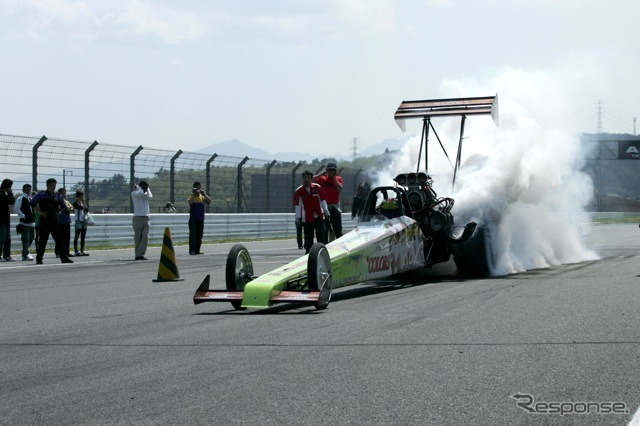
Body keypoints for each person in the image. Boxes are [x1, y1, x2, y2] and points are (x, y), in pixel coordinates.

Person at [30, 178, 74, 264]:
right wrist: (40, 212)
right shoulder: (41, 194)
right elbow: (32, 203)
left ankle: (63, 258)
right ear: (47, 185)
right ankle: (39, 259)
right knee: (43, 240)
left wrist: (59, 211)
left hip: (54, 219)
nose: (52, 187)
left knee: (59, 239)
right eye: (51, 185)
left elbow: (64, 206)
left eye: (54, 186)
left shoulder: (58, 195)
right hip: (45, 219)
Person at [294, 170, 330, 253]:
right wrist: (298, 217)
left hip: (319, 216)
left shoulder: (317, 188)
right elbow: (298, 205)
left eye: (308, 178)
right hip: (307, 219)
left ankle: (323, 253)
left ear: (311, 179)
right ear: (302, 179)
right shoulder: (299, 191)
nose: (306, 180)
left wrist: (326, 211)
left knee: (321, 237)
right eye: (305, 178)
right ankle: (308, 256)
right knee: (308, 239)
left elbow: (323, 200)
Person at [314, 162, 344, 241]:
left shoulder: (338, 179)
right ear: (326, 170)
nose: (331, 172)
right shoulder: (322, 178)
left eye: (333, 170)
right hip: (324, 206)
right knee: (324, 229)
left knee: (337, 229)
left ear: (335, 171)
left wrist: (334, 179)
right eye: (329, 170)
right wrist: (320, 174)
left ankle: (339, 243)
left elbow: (340, 188)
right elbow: (310, 180)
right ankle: (325, 244)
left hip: (334, 206)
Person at [187, 181, 211, 255]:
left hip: (200, 219)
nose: (198, 189)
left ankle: (197, 250)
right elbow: (190, 202)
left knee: (199, 235)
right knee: (193, 235)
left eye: (199, 187)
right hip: (193, 219)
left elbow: (209, 201)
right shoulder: (191, 196)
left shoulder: (202, 197)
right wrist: (194, 194)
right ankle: (192, 250)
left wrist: (204, 194)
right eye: (196, 187)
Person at [131, 180, 153, 260]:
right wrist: (139, 188)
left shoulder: (146, 193)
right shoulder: (134, 193)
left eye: (146, 187)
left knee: (145, 237)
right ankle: (137, 254)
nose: (145, 189)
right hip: (137, 217)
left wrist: (147, 189)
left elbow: (150, 196)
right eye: (143, 187)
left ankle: (141, 254)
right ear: (140, 187)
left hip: (146, 217)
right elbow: (140, 193)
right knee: (138, 237)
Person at [14, 183, 35, 261]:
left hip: (31, 222)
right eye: (27, 189)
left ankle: (26, 252)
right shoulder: (20, 198)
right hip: (24, 222)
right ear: (23, 190)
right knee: (25, 239)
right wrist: (23, 216)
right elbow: (17, 209)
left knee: (31, 238)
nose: (28, 191)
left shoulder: (30, 199)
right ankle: (25, 254)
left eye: (29, 189)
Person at [55, 188, 73, 259]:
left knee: (67, 237)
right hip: (60, 221)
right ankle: (58, 252)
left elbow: (71, 208)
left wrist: (68, 208)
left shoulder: (66, 201)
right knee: (60, 238)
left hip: (66, 221)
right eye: (62, 193)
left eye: (65, 193)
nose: (64, 195)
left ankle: (67, 252)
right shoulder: (57, 201)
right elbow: (59, 209)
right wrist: (66, 208)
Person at [0, 178, 15, 261]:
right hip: (2, 220)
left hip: (6, 219)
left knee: (7, 238)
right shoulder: (1, 195)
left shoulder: (4, 194)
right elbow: (11, 201)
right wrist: (10, 193)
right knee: (1, 238)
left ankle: (7, 255)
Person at [72, 190, 90, 256]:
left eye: (82, 196)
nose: (82, 197)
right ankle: (76, 251)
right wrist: (82, 203)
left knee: (83, 237)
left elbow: (86, 210)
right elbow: (79, 208)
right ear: (78, 196)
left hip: (84, 221)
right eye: (81, 196)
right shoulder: (75, 203)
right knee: (77, 236)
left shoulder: (82, 203)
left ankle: (82, 250)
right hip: (78, 221)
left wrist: (84, 202)